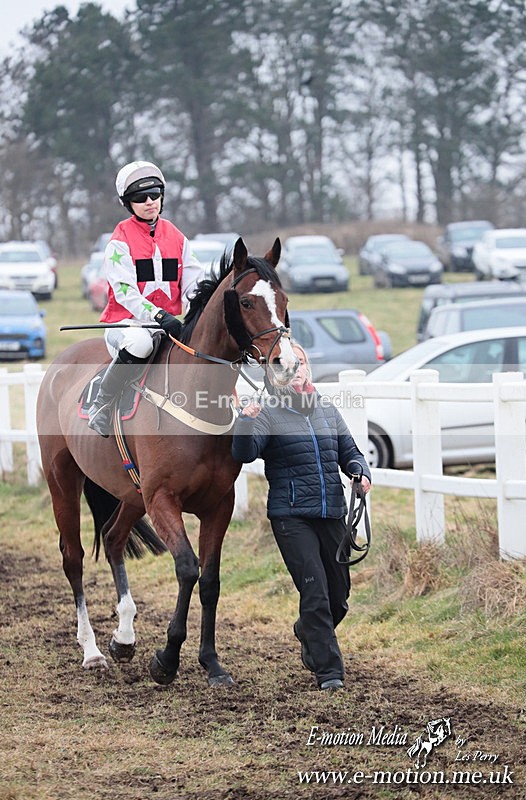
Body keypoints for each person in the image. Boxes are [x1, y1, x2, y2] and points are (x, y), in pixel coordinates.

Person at [231, 344, 371, 691]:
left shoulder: (325, 408)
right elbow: (245, 453)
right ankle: (329, 672)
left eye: (301, 363)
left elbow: (349, 452)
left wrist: (359, 472)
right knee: (316, 591)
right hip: (291, 516)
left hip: (332, 512)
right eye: (286, 364)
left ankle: (307, 629)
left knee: (339, 595)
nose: (296, 369)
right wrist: (245, 421)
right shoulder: (265, 411)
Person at [88, 160, 204, 436]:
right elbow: (125, 291)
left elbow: (193, 284)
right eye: (141, 198)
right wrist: (160, 316)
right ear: (128, 204)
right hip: (126, 325)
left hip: (168, 325)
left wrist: (198, 311)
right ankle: (101, 405)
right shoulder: (119, 240)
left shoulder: (177, 237)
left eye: (155, 194)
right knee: (141, 343)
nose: (150, 201)